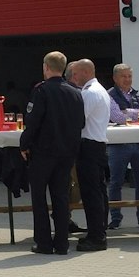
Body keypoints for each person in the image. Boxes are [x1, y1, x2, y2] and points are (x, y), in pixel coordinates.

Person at [20, 51, 84, 254]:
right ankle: (62, 243)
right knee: (61, 197)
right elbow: (81, 122)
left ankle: (44, 243)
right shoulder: (75, 92)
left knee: (39, 198)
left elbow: (33, 121)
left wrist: (24, 144)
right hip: (67, 153)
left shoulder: (42, 90)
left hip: (43, 152)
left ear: (46, 67)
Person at [67, 59, 112, 251]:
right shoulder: (99, 90)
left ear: (85, 72)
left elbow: (79, 121)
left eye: (76, 73)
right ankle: (98, 231)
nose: (73, 77)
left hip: (89, 147)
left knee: (91, 193)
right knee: (98, 192)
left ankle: (96, 236)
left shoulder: (89, 93)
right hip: (97, 145)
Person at [106, 63, 139, 230]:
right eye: (124, 76)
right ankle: (115, 218)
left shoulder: (137, 94)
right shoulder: (109, 95)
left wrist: (128, 112)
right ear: (115, 78)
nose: (128, 80)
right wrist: (137, 113)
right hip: (118, 146)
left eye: (129, 76)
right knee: (116, 182)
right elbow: (117, 117)